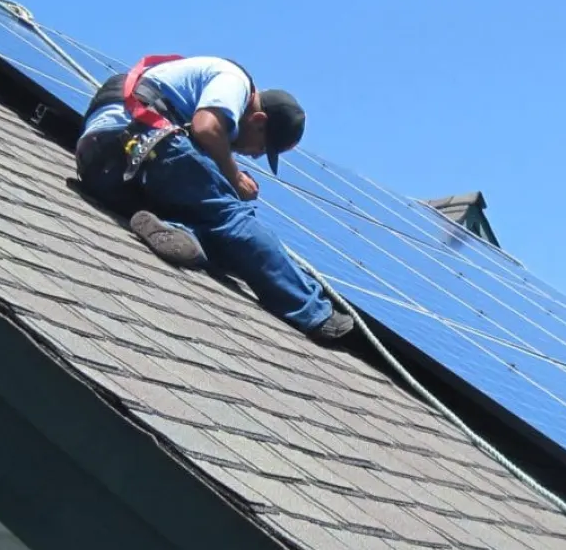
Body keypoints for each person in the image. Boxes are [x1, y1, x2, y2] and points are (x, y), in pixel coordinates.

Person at [74, 55, 355, 343]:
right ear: (259, 120)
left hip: (101, 168)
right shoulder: (234, 79)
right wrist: (233, 177)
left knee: (215, 236)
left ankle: (180, 232)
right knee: (232, 220)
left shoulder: (188, 81)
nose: (253, 155)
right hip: (147, 142)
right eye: (262, 147)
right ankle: (315, 312)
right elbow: (207, 128)